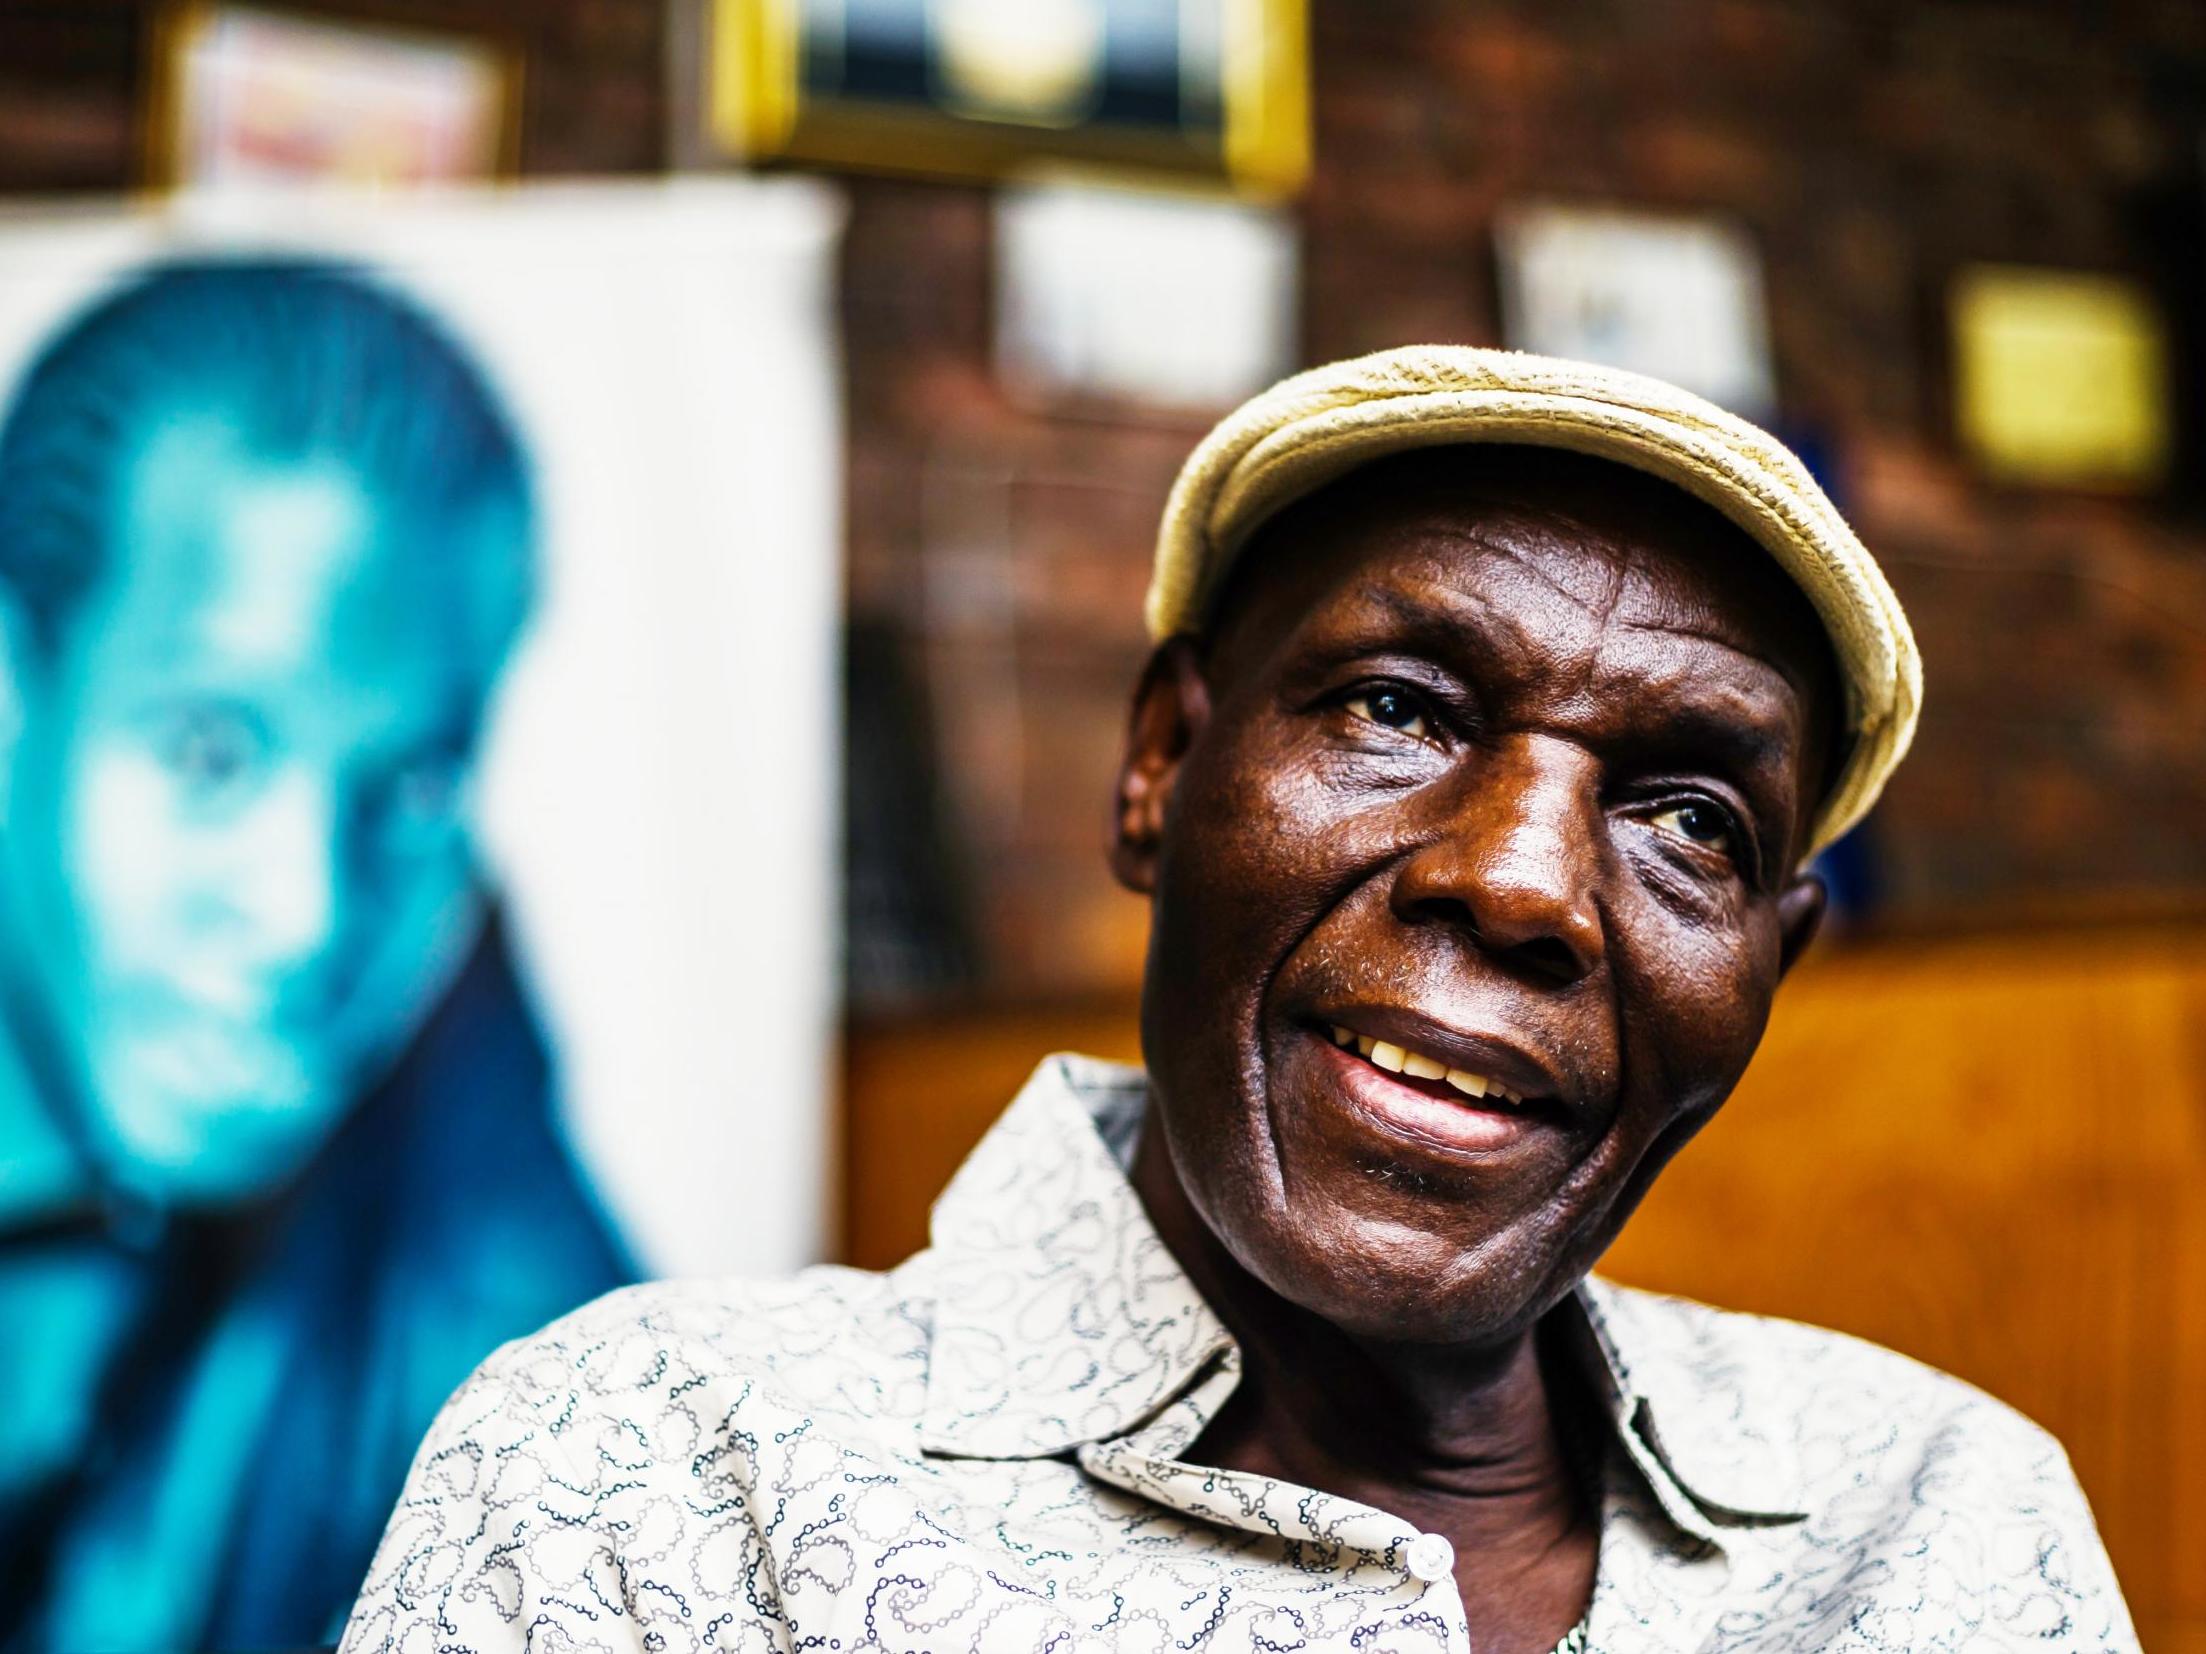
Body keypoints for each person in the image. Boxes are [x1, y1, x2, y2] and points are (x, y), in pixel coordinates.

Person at [339, 348, 2137, 1652]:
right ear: (1160, 768)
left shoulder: (1939, 1517)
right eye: (1400, 708)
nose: (1518, 879)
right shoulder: (664, 1472)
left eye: (1686, 817)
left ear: (1766, 965)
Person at [0, 260, 631, 1649]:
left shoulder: (463, 1126)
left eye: (405, 790)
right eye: (209, 752)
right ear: (12, 674)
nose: (306, 917)